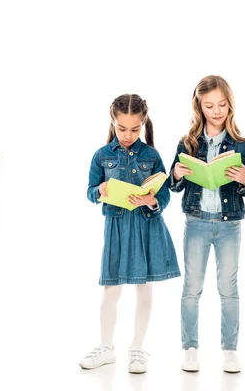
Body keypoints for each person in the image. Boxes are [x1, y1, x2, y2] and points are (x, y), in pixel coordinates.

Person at [81, 94, 180, 374]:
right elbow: (90, 192)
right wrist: (99, 191)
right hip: (117, 226)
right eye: (122, 128)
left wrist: (151, 200)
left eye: (135, 129)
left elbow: (163, 192)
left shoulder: (151, 155)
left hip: (146, 225)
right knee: (111, 289)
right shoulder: (102, 155)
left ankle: (137, 349)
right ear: (113, 122)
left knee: (144, 290)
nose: (128, 135)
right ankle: (106, 347)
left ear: (143, 124)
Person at [170, 75, 245, 373]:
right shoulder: (187, 143)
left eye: (222, 104)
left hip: (229, 225)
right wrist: (178, 175)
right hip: (195, 222)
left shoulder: (242, 146)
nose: (217, 111)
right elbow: (173, 187)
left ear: (230, 105)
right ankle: (190, 348)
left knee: (228, 288)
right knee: (192, 287)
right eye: (209, 105)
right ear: (199, 106)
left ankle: (229, 351)